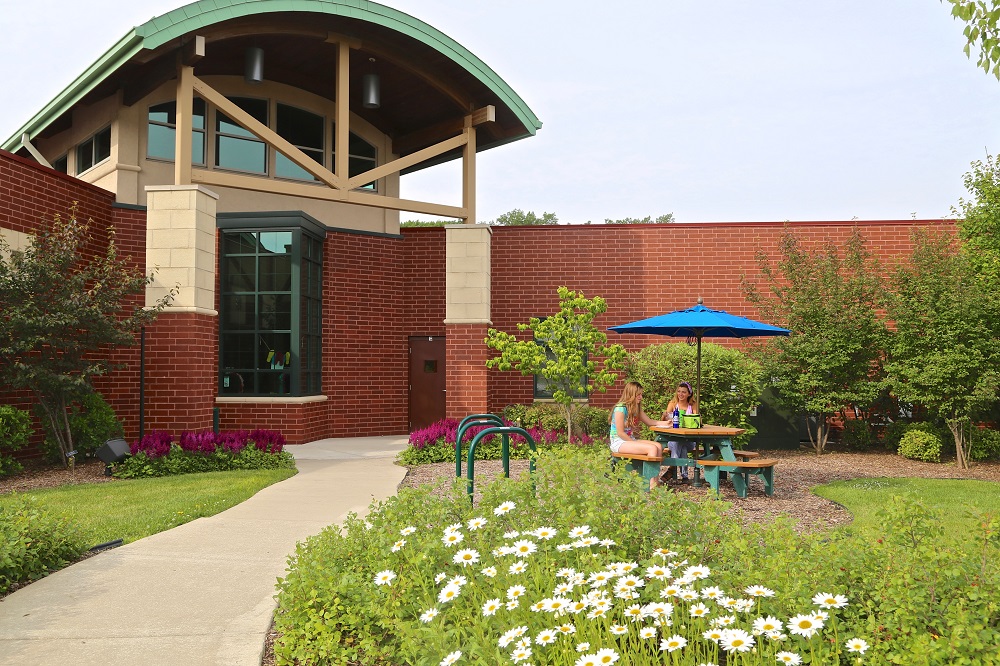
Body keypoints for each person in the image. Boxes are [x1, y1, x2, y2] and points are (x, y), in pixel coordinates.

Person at [608, 381, 671, 490]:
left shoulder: (636, 408)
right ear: (631, 394)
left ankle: (655, 480)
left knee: (658, 446)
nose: (641, 397)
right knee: (651, 449)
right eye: (639, 395)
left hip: (628, 440)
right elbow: (620, 433)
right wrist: (634, 443)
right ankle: (651, 485)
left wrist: (667, 423)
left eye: (641, 394)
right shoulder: (620, 409)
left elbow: (651, 422)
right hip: (618, 442)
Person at [661, 381, 699, 483]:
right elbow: (663, 421)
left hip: (689, 440)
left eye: (683, 392)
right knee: (681, 446)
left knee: (681, 443)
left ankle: (671, 468)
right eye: (679, 391)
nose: (680, 394)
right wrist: (665, 416)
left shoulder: (693, 405)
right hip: (673, 439)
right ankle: (684, 476)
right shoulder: (673, 404)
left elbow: (697, 420)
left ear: (689, 394)